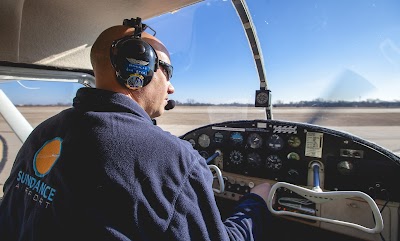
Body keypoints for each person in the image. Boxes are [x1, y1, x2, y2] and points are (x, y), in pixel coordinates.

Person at [0, 21, 272, 241]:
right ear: (140, 67)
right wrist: (256, 201)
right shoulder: (172, 160)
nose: (171, 88)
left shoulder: (46, 131)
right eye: (168, 72)